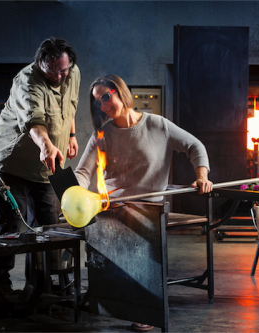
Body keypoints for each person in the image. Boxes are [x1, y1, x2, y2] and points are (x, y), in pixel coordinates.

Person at [74, 74, 213, 332]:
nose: (103, 106)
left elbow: (195, 146)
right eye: (98, 101)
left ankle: (143, 307)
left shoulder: (158, 126)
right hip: (112, 208)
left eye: (106, 97)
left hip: (150, 209)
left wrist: (201, 176)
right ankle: (109, 297)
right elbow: (83, 173)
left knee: (139, 236)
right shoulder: (101, 135)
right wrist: (73, 194)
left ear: (121, 92)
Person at [0, 37, 80, 294]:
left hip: (48, 165)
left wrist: (71, 135)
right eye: (54, 71)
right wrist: (46, 145)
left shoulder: (72, 72)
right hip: (14, 164)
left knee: (47, 226)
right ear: (40, 63)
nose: (60, 76)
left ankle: (41, 284)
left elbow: (69, 105)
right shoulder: (27, 82)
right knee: (9, 228)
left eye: (64, 70)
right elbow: (35, 122)